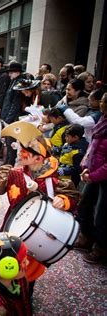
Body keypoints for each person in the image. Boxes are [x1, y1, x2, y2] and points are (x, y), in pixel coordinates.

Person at [0, 121, 79, 230]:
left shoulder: (54, 181)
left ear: (38, 159)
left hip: (41, 228)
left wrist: (63, 200)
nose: (19, 153)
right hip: (13, 220)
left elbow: (72, 198)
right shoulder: (14, 173)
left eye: (23, 152)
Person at [74, 92, 107, 264]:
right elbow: (93, 148)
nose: (100, 104)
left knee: (102, 214)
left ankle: (100, 248)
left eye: (103, 101)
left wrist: (93, 175)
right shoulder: (103, 121)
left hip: (103, 178)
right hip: (94, 174)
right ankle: (85, 237)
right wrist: (86, 167)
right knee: (85, 203)